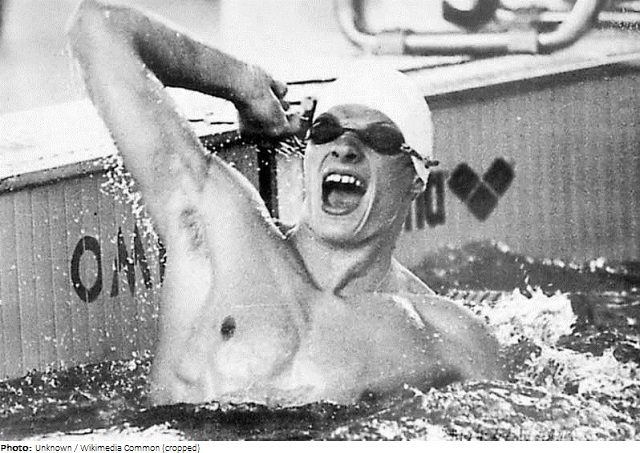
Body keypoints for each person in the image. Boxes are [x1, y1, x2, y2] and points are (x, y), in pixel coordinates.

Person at [68, 0, 504, 406]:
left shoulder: (449, 335)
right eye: (326, 131)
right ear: (307, 154)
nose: (345, 149)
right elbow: (99, 28)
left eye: (379, 138)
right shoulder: (222, 239)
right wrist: (240, 82)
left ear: (417, 178)